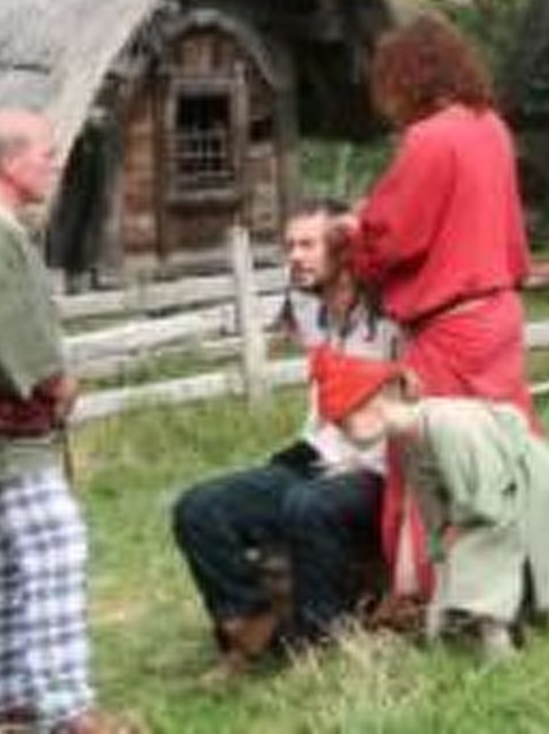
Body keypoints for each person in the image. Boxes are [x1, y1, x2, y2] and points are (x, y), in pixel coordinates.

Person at [0, 109, 134, 734]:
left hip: (3, 431)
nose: (57, 161)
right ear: (7, 161)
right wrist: (53, 381)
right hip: (11, 429)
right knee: (55, 554)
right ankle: (65, 712)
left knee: (1, 567)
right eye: (46, 152)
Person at [337, 14, 537, 600]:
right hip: (498, 314)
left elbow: (393, 236)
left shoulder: (429, 140)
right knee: (503, 451)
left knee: (429, 458)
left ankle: (426, 593)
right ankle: (522, 575)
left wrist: (353, 229)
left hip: (450, 329)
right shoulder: (491, 127)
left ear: (406, 78)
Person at [169, 205, 398, 673]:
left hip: (378, 465)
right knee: (199, 507)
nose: (294, 256)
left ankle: (321, 642)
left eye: (307, 245)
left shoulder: (392, 313)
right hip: (319, 453)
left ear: (342, 248)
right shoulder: (310, 310)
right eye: (289, 246)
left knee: (307, 506)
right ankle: (253, 628)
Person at [310, 348, 549, 659]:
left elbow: (485, 496)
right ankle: (444, 636)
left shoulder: (449, 424)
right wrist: (439, 539)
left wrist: (455, 529)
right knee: (450, 552)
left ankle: (496, 640)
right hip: (484, 501)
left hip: (528, 487)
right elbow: (431, 500)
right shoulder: (408, 441)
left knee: (481, 546)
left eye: (343, 422)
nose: (343, 433)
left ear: (371, 405)